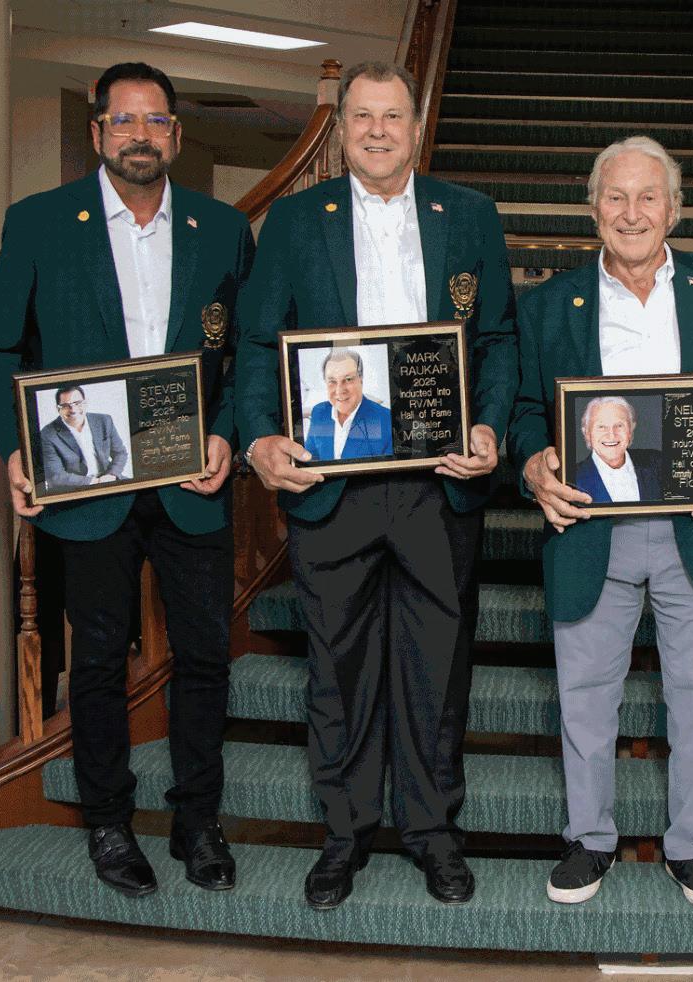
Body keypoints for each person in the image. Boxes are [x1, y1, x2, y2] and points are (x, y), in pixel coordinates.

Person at [236, 60, 517, 909]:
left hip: (438, 482)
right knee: (339, 668)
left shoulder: (469, 215)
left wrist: (488, 427)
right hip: (333, 481)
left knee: (438, 668)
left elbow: (497, 339)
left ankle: (433, 834)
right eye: (362, 116)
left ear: (416, 127)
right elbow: (257, 343)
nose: (378, 131)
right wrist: (258, 438)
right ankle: (346, 834)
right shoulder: (295, 220)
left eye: (393, 116)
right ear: (342, 129)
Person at [0, 62, 255, 898]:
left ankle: (198, 823)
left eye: (156, 121)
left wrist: (227, 433)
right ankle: (108, 822)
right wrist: (16, 448)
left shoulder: (221, 228)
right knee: (96, 661)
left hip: (190, 482)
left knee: (205, 658)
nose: (140, 134)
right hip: (88, 488)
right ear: (98, 131)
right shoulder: (39, 222)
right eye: (124, 120)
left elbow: (248, 352)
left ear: (176, 135)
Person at [508, 136, 693, 909]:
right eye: (616, 197)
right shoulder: (547, 304)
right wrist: (533, 465)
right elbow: (526, 411)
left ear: (675, 209)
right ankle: (589, 840)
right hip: (589, 526)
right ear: (592, 209)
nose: (632, 213)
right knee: (585, 696)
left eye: (648, 197)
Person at [304, 349, 393, 461]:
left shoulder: (387, 420)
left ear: (361, 379)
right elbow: (310, 460)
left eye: (348, 379)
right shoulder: (319, 412)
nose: (339, 390)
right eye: (332, 381)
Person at [39, 384, 130, 490]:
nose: (73, 409)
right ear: (58, 409)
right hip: (75, 488)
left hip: (107, 478)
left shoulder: (104, 421)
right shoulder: (47, 434)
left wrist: (111, 475)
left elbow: (120, 453)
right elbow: (56, 477)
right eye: (65, 406)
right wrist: (95, 482)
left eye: (77, 403)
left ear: (85, 403)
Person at [572, 397, 661, 503]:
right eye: (601, 427)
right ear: (587, 433)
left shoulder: (658, 463)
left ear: (631, 429)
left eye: (619, 425)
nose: (611, 435)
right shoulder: (571, 479)